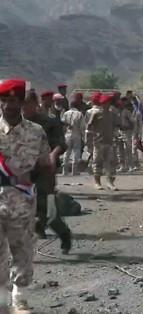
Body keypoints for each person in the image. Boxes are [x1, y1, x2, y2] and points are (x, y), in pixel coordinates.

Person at [0, 80, 51, 313]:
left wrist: (46, 201)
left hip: (23, 201)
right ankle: (1, 298)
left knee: (22, 249)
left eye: (13, 101)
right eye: (4, 101)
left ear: (21, 102)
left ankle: (19, 298)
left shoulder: (35, 132)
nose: (8, 106)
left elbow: (44, 166)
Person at [23, 90, 72, 255]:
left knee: (46, 207)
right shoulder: (14, 123)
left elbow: (61, 144)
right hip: (21, 170)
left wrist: (52, 154)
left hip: (44, 169)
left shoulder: (49, 121)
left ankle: (63, 233)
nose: (23, 108)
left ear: (34, 104)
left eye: (26, 104)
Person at [87, 94, 118, 190]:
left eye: (108, 103)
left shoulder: (112, 115)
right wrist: (89, 140)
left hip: (109, 141)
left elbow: (116, 126)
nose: (106, 105)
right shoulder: (96, 114)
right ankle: (97, 183)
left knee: (110, 163)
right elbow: (89, 126)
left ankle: (110, 183)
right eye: (104, 103)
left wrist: (115, 136)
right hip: (98, 142)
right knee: (97, 163)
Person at [61, 98, 85, 175]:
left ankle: (65, 171)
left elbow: (63, 123)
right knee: (76, 151)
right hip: (77, 134)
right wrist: (83, 136)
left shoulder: (66, 113)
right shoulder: (79, 114)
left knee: (67, 152)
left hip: (68, 134)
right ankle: (74, 171)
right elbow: (82, 126)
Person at [84, 92, 102, 169]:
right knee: (97, 150)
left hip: (89, 133)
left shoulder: (88, 111)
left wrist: (85, 134)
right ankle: (95, 166)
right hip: (98, 133)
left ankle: (91, 165)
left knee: (91, 150)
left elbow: (86, 123)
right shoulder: (101, 111)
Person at [119, 97, 136, 172]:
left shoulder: (126, 112)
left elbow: (133, 121)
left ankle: (130, 166)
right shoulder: (118, 111)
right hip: (120, 131)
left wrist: (132, 129)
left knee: (128, 149)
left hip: (127, 132)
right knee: (120, 150)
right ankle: (122, 166)